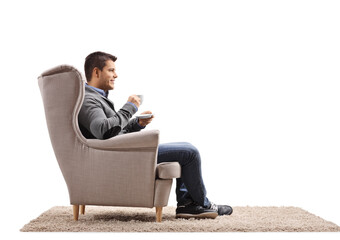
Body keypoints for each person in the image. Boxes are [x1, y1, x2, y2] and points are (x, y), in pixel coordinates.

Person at [78, 51, 233, 219]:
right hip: (119, 156)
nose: (116, 75)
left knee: (184, 151)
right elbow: (103, 131)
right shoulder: (89, 99)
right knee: (189, 152)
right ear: (96, 72)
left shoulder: (97, 97)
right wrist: (129, 108)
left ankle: (188, 204)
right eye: (111, 70)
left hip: (121, 151)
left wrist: (136, 124)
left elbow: (114, 133)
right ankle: (202, 204)